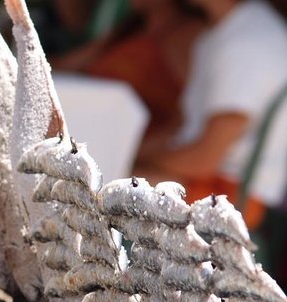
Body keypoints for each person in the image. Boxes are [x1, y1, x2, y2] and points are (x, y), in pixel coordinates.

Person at [134, 0, 287, 229]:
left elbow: (204, 158)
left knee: (109, 186)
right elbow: (184, 127)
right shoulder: (226, 29)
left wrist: (138, 158)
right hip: (206, 179)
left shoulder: (249, 42)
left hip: (228, 196)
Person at [54, 0, 206, 134]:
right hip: (90, 124)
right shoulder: (129, 29)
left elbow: (191, 106)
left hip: (136, 139)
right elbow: (66, 65)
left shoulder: (187, 35)